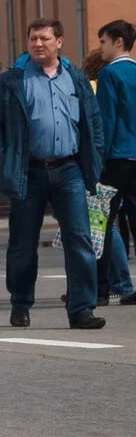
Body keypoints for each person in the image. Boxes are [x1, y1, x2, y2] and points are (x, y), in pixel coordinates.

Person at [0, 18, 105, 330]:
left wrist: (96, 161)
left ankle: (81, 309)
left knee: (80, 240)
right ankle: (20, 303)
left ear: (59, 42)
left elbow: (94, 121)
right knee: (23, 243)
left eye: (44, 38)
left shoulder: (75, 78)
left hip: (70, 170)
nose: (37, 44)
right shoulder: (12, 81)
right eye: (33, 38)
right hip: (28, 172)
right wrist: (2, 160)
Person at [94, 19, 136, 305]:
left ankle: (100, 288)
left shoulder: (109, 74)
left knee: (101, 221)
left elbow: (105, 120)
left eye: (104, 41)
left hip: (117, 157)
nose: (101, 48)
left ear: (118, 41)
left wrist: (97, 161)